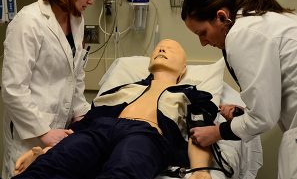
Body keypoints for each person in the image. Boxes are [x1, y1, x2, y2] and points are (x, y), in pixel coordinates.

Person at [11, 39, 219, 179]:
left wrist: (200, 171)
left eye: (171, 49)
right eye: (158, 48)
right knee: (50, 166)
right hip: (100, 130)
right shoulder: (121, 89)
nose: (162, 49)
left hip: (145, 135)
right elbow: (86, 124)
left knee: (123, 170)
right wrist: (45, 152)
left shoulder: (192, 96)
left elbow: (200, 133)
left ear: (183, 69)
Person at [181, 0, 297, 179]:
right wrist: (245, 115)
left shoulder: (241, 34)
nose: (202, 43)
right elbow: (272, 103)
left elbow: (263, 118)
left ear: (221, 16)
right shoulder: (270, 20)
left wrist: (217, 132)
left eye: (202, 33)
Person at [1, 0, 100, 179]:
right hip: (29, 135)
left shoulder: (76, 19)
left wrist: (82, 114)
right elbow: (13, 88)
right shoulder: (29, 22)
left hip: (61, 131)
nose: (91, 0)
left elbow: (75, 75)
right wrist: (44, 131)